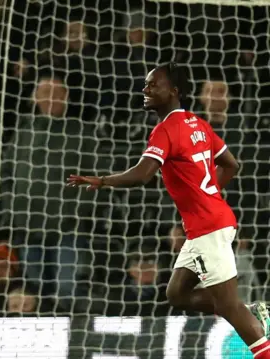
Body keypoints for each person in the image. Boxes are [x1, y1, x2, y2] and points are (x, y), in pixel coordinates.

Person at [67, 62, 270, 358]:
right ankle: (251, 310)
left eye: (153, 85)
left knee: (228, 306)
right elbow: (232, 165)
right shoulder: (198, 124)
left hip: (208, 227)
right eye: (146, 84)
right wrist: (208, 192)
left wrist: (103, 180)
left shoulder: (166, 130)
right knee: (177, 294)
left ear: (174, 91)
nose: (145, 89)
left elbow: (142, 174)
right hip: (209, 222)